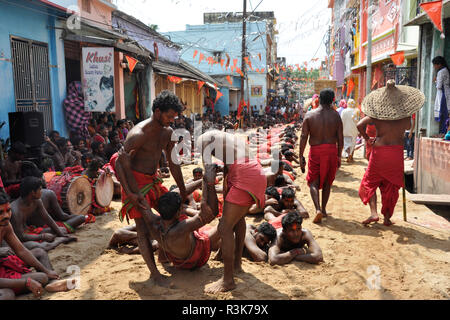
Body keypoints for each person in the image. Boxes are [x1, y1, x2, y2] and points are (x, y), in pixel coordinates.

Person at [115, 90, 186, 287]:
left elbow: (174, 163)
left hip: (152, 181)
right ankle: (154, 274)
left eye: (174, 117)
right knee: (144, 229)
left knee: (173, 213)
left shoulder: (168, 133)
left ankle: (164, 255)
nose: (172, 120)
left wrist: (182, 189)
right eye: (169, 116)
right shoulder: (138, 134)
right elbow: (119, 164)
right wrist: (131, 194)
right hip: (134, 184)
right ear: (157, 112)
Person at [197, 130, 267, 293]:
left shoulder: (203, 141)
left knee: (224, 228)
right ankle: (236, 265)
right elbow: (228, 172)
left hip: (244, 175)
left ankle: (228, 280)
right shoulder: (229, 139)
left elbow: (209, 174)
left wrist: (204, 201)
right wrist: (226, 193)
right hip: (255, 171)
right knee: (239, 219)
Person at [357, 80, 425, 226]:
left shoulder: (376, 115)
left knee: (369, 182)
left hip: (379, 152)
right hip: (395, 153)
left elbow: (359, 125)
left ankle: (374, 213)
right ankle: (387, 218)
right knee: (391, 186)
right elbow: (408, 126)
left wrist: (368, 139)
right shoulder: (405, 117)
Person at [0, 192, 74, 300]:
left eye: (8, 210)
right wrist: (27, 283)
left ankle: (53, 282)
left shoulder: (5, 225)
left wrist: (46, 270)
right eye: (1, 212)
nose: (6, 215)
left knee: (40, 257)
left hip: (4, 267)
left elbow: (21, 251)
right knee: (8, 294)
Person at [299, 88, 343, 224]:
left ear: (319, 99)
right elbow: (340, 139)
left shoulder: (310, 115)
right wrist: (339, 155)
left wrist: (300, 156)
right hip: (331, 151)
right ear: (332, 100)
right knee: (327, 182)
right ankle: (323, 209)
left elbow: (303, 136)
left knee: (313, 181)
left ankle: (317, 209)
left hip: (316, 150)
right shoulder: (336, 116)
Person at [9, 177, 77, 245]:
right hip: (19, 238)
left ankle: (60, 238)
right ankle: (59, 241)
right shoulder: (15, 211)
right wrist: (41, 236)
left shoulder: (36, 201)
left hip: (30, 231)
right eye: (40, 189)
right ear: (33, 192)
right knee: (37, 246)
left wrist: (61, 234)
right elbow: (21, 236)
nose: (42, 191)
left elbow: (47, 218)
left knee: (61, 230)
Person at [432, 56, 450, 134]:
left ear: (439, 64)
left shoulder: (441, 72)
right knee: (445, 113)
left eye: (434, 65)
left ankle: (444, 132)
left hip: (443, 95)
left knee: (443, 114)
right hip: (446, 93)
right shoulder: (446, 70)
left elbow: (439, 86)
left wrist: (435, 81)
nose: (434, 67)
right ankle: (444, 132)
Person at [340, 98, 360, 163]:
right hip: (354, 130)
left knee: (346, 143)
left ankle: (347, 154)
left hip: (345, 129)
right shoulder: (356, 111)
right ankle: (351, 155)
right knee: (353, 143)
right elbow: (358, 121)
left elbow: (341, 121)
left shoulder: (344, 111)